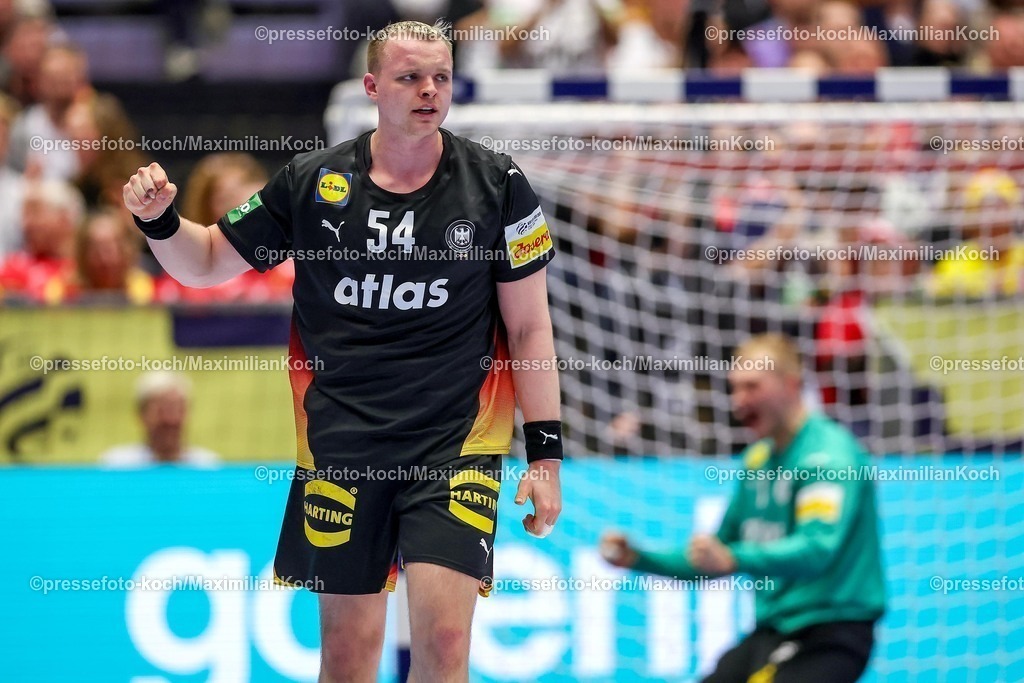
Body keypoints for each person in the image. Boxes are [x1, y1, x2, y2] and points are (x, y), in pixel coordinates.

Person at [122, 20, 562, 683]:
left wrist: (547, 453)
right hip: (344, 444)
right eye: (410, 77)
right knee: (350, 660)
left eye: (440, 77)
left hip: (457, 442)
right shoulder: (312, 181)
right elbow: (207, 260)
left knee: (444, 643)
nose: (428, 91)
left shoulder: (498, 184)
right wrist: (158, 220)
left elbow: (530, 327)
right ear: (372, 87)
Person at [601, 333, 885, 683]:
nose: (738, 401)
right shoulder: (757, 461)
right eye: (734, 388)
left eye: (752, 387)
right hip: (772, 629)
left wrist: (736, 558)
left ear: (791, 385)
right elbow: (714, 557)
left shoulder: (828, 457)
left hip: (832, 630)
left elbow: (817, 549)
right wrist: (638, 558)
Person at [100, 371, 218, 467]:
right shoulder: (117, 465)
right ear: (141, 414)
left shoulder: (207, 466)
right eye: (162, 410)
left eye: (178, 409)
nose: (171, 420)